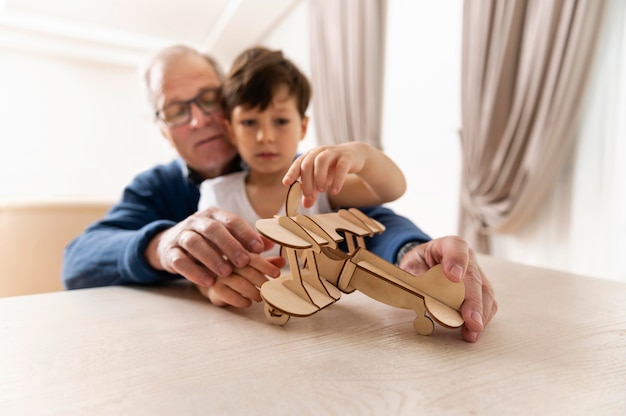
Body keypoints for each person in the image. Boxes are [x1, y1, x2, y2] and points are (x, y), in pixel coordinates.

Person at [62, 44, 497, 343]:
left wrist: (412, 250)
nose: (198, 121)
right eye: (176, 110)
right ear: (161, 127)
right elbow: (79, 261)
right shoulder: (156, 188)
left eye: (209, 99)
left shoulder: (299, 172)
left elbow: (377, 216)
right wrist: (163, 246)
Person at [197, 46, 407, 257]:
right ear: (230, 131)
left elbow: (392, 190)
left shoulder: (318, 186)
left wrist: (363, 154)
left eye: (281, 121)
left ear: (303, 128)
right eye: (249, 122)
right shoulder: (216, 194)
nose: (265, 136)